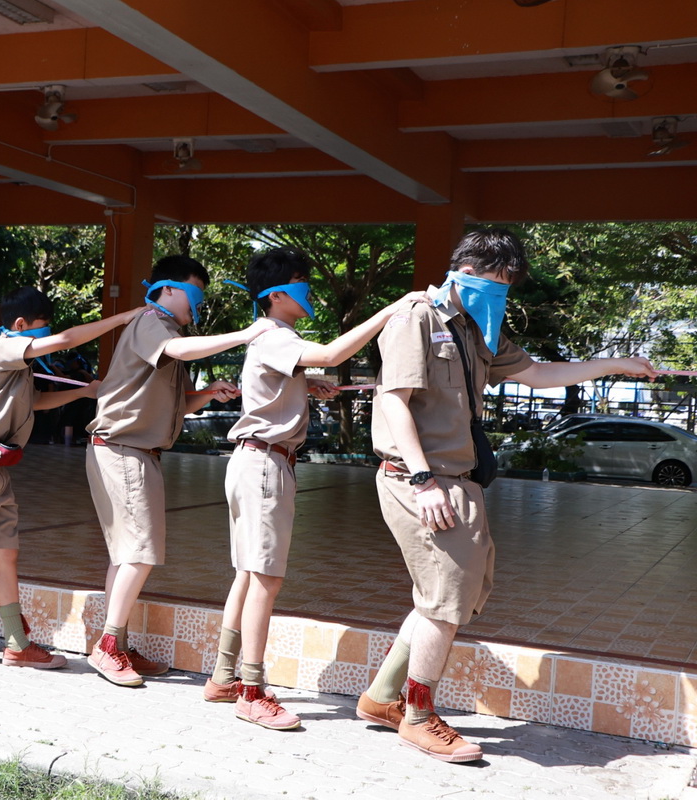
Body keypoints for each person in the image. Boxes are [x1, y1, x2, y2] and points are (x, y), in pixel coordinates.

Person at [358, 228, 656, 762]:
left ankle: (382, 698)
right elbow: (394, 401)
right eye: (496, 283)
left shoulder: (477, 329)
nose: (500, 293)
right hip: (420, 480)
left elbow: (537, 374)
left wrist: (615, 364)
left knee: (445, 597)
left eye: (507, 286)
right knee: (445, 601)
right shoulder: (415, 318)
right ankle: (418, 716)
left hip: (458, 480)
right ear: (466, 272)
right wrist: (423, 481)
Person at [208, 247, 426, 730]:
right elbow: (330, 352)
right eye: (301, 280)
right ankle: (251, 691)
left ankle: (224, 677)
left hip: (256, 460)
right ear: (277, 294)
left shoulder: (274, 339)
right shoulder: (273, 334)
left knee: (248, 574)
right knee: (265, 578)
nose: (308, 289)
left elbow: (289, 377)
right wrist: (391, 310)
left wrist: (307, 383)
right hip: (265, 464)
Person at [85, 255, 274, 687]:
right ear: (168, 289)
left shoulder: (168, 332)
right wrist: (245, 334)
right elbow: (177, 351)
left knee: (126, 554)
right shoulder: (152, 321)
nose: (198, 304)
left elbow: (178, 405)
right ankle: (109, 647)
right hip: (126, 450)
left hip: (131, 450)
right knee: (140, 551)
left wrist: (207, 393)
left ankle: (116, 641)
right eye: (194, 293)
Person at [0, 288, 141, 668]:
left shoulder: (19, 365)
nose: (47, 337)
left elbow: (36, 401)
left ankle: (16, 643)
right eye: (42, 329)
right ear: (21, 324)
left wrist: (85, 392)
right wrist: (122, 318)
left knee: (5, 554)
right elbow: (66, 340)